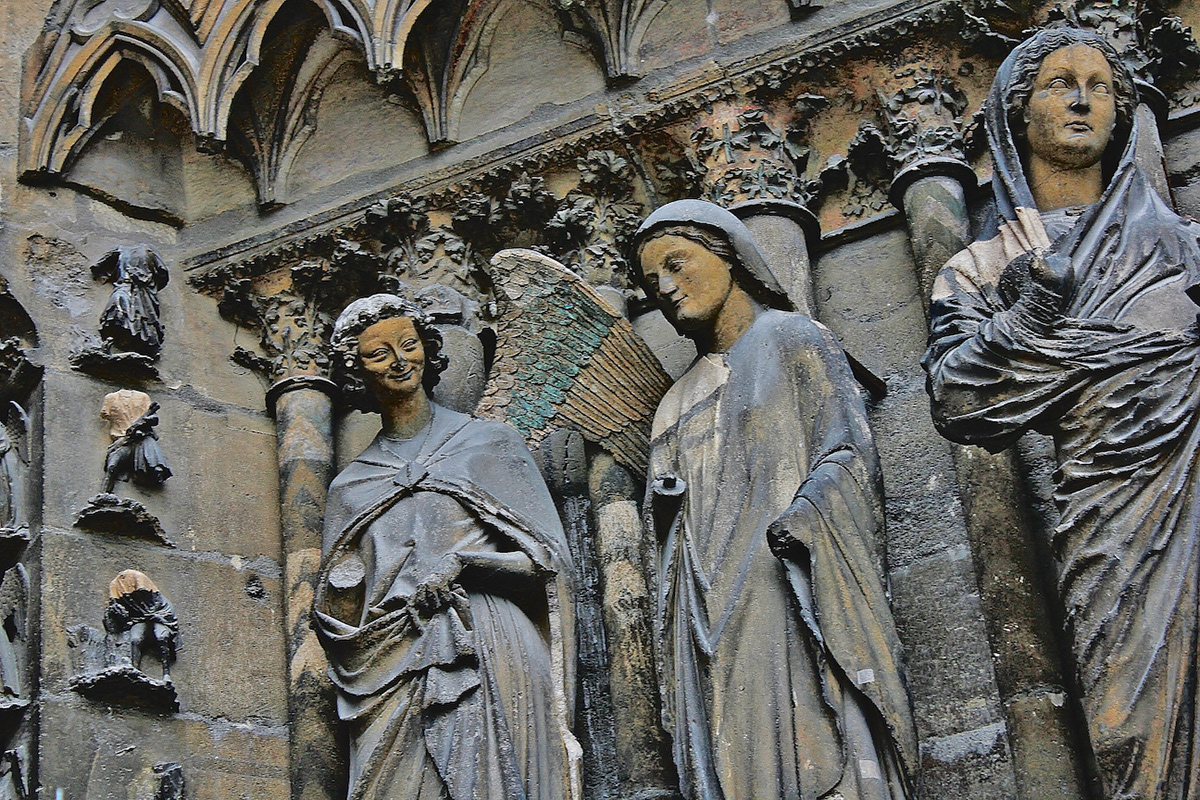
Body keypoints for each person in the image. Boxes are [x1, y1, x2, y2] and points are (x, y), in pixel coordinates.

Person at [923, 27, 1200, 799]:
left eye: (1101, 85)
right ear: (1018, 112)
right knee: (1137, 727)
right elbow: (958, 399)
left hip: (1194, 472)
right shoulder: (981, 266)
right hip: (1111, 515)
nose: (1082, 99)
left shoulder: (1186, 247)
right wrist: (1028, 317)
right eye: (1059, 83)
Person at [633, 200, 916, 800]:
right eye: (652, 281)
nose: (665, 288)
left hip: (788, 577)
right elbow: (668, 531)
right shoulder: (673, 402)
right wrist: (665, 503)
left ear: (729, 255)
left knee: (816, 725)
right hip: (708, 606)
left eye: (677, 264)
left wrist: (809, 517)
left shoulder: (792, 337)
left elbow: (846, 452)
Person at [313, 293, 578, 800]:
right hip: (388, 661)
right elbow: (335, 613)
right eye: (378, 354)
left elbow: (548, 564)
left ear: (428, 350)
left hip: (486, 637)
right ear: (356, 371)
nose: (398, 361)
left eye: (408, 345)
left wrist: (464, 565)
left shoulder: (488, 443)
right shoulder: (350, 486)